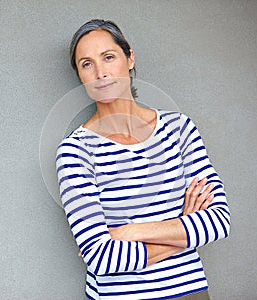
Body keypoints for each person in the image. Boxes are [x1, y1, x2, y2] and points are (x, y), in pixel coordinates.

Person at [56, 19, 230, 300]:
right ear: (80, 76)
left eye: (108, 57)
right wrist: (183, 227)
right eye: (86, 64)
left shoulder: (179, 129)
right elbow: (101, 257)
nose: (100, 73)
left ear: (130, 58)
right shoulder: (76, 151)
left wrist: (129, 231)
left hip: (191, 292)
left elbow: (219, 221)